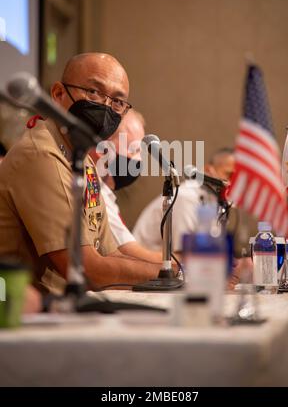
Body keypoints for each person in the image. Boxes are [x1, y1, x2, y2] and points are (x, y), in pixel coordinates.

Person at [0, 53, 163, 294]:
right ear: (58, 94)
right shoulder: (41, 154)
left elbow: (111, 253)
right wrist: (172, 273)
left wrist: (173, 271)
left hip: (64, 309)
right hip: (22, 312)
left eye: (118, 101)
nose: (106, 107)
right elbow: (88, 269)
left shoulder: (82, 160)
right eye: (94, 92)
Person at [90, 109, 164, 264]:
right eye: (134, 150)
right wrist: (189, 264)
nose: (139, 160)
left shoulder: (104, 192)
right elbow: (132, 255)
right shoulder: (94, 192)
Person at [133, 148, 235, 251]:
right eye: (229, 175)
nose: (233, 182)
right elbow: (185, 254)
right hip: (145, 264)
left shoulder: (216, 201)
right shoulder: (187, 197)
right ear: (208, 170)